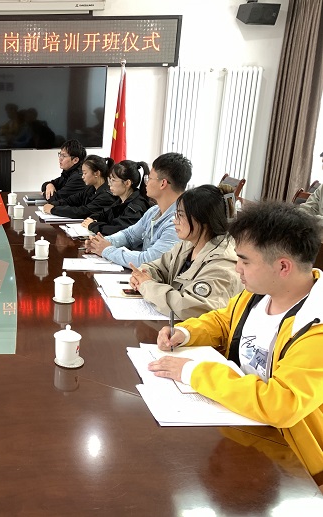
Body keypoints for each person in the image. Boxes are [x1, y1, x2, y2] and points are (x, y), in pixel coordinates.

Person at [148, 202, 323, 484]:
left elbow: (281, 404)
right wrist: (186, 332)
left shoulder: (316, 328)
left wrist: (192, 372)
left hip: (291, 461)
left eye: (245, 261)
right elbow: (225, 320)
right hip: (241, 425)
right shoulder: (258, 294)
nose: (237, 268)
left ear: (283, 266)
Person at [128, 185, 242, 320]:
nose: (174, 220)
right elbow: (158, 267)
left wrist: (146, 285)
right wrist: (142, 275)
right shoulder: (189, 245)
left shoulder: (223, 264)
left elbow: (188, 307)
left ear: (203, 220)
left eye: (181, 215)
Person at [85, 152, 192, 268]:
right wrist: (99, 242)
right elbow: (129, 235)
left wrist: (106, 250)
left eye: (149, 178)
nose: (146, 182)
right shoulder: (153, 211)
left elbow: (148, 260)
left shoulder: (177, 222)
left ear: (163, 183)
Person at [81, 160, 151, 236]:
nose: (109, 184)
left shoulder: (136, 207)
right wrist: (93, 218)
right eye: (110, 179)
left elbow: (118, 230)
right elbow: (105, 214)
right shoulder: (120, 200)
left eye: (113, 180)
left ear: (127, 183)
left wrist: (93, 225)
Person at [42, 155, 116, 219]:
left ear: (96, 173)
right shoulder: (91, 189)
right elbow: (72, 200)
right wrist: (54, 204)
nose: (82, 176)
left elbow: (82, 212)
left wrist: (53, 210)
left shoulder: (107, 195)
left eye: (85, 173)